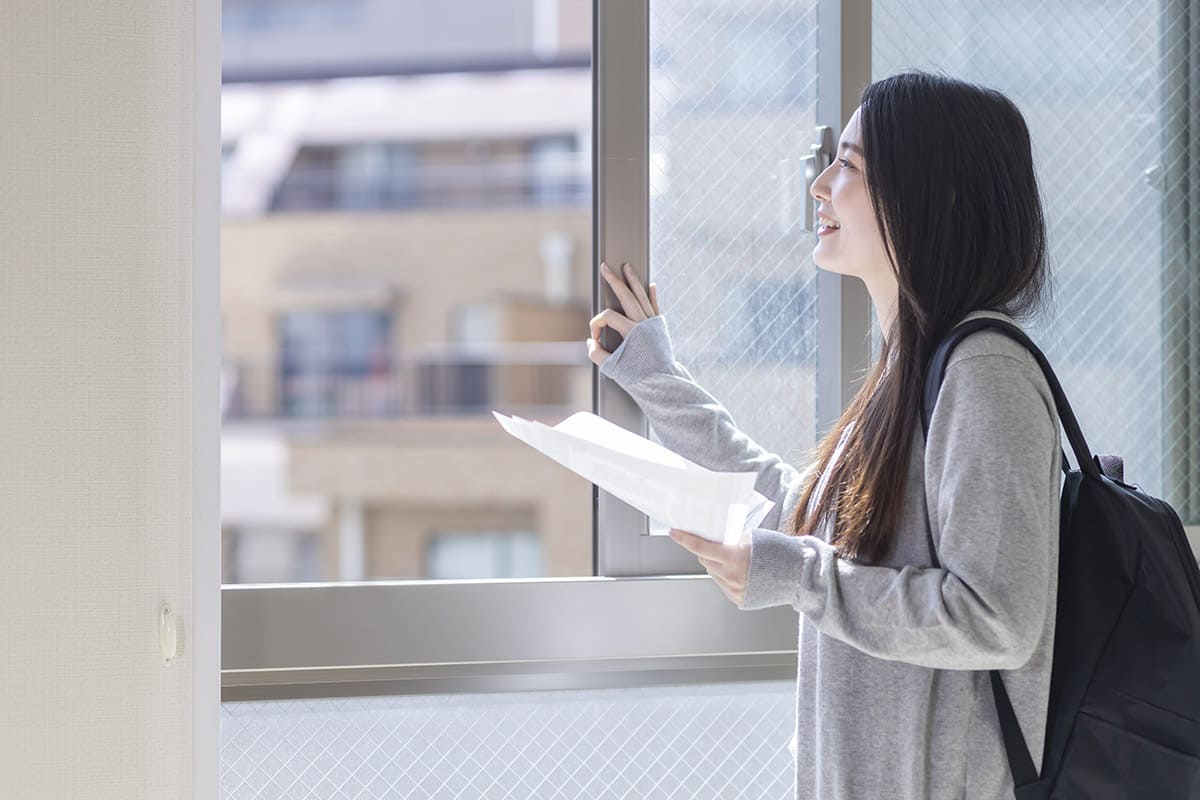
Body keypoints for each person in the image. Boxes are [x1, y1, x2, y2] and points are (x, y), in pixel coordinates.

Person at [585, 70, 1062, 800]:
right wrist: (654, 376)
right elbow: (802, 511)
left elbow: (998, 620)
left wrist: (797, 575)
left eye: (851, 165)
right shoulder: (911, 367)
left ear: (938, 197)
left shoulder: (983, 373)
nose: (821, 186)